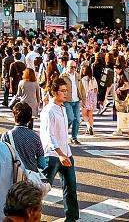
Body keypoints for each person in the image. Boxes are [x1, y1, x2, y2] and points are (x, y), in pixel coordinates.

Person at [40, 77, 78, 222]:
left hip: (66, 153)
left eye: (66, 90)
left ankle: (72, 218)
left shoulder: (62, 108)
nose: (65, 93)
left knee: (71, 188)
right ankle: (30, 215)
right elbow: (49, 136)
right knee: (42, 189)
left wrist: (66, 152)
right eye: (62, 91)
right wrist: (60, 154)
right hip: (53, 156)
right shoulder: (48, 111)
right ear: (54, 92)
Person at [1, 102, 45, 174]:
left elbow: (3, 158)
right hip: (31, 177)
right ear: (29, 118)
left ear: (14, 116)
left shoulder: (6, 136)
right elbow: (42, 164)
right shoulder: (35, 137)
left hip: (13, 176)